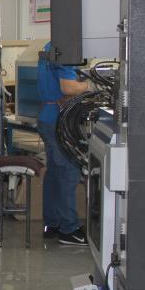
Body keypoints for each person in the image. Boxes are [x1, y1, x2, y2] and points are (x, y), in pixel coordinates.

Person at [36, 42, 89, 245]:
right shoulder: (66, 48)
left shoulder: (51, 45)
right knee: (68, 172)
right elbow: (68, 87)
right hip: (59, 120)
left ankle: (53, 224)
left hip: (47, 116)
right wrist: (90, 85)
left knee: (55, 173)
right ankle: (69, 229)